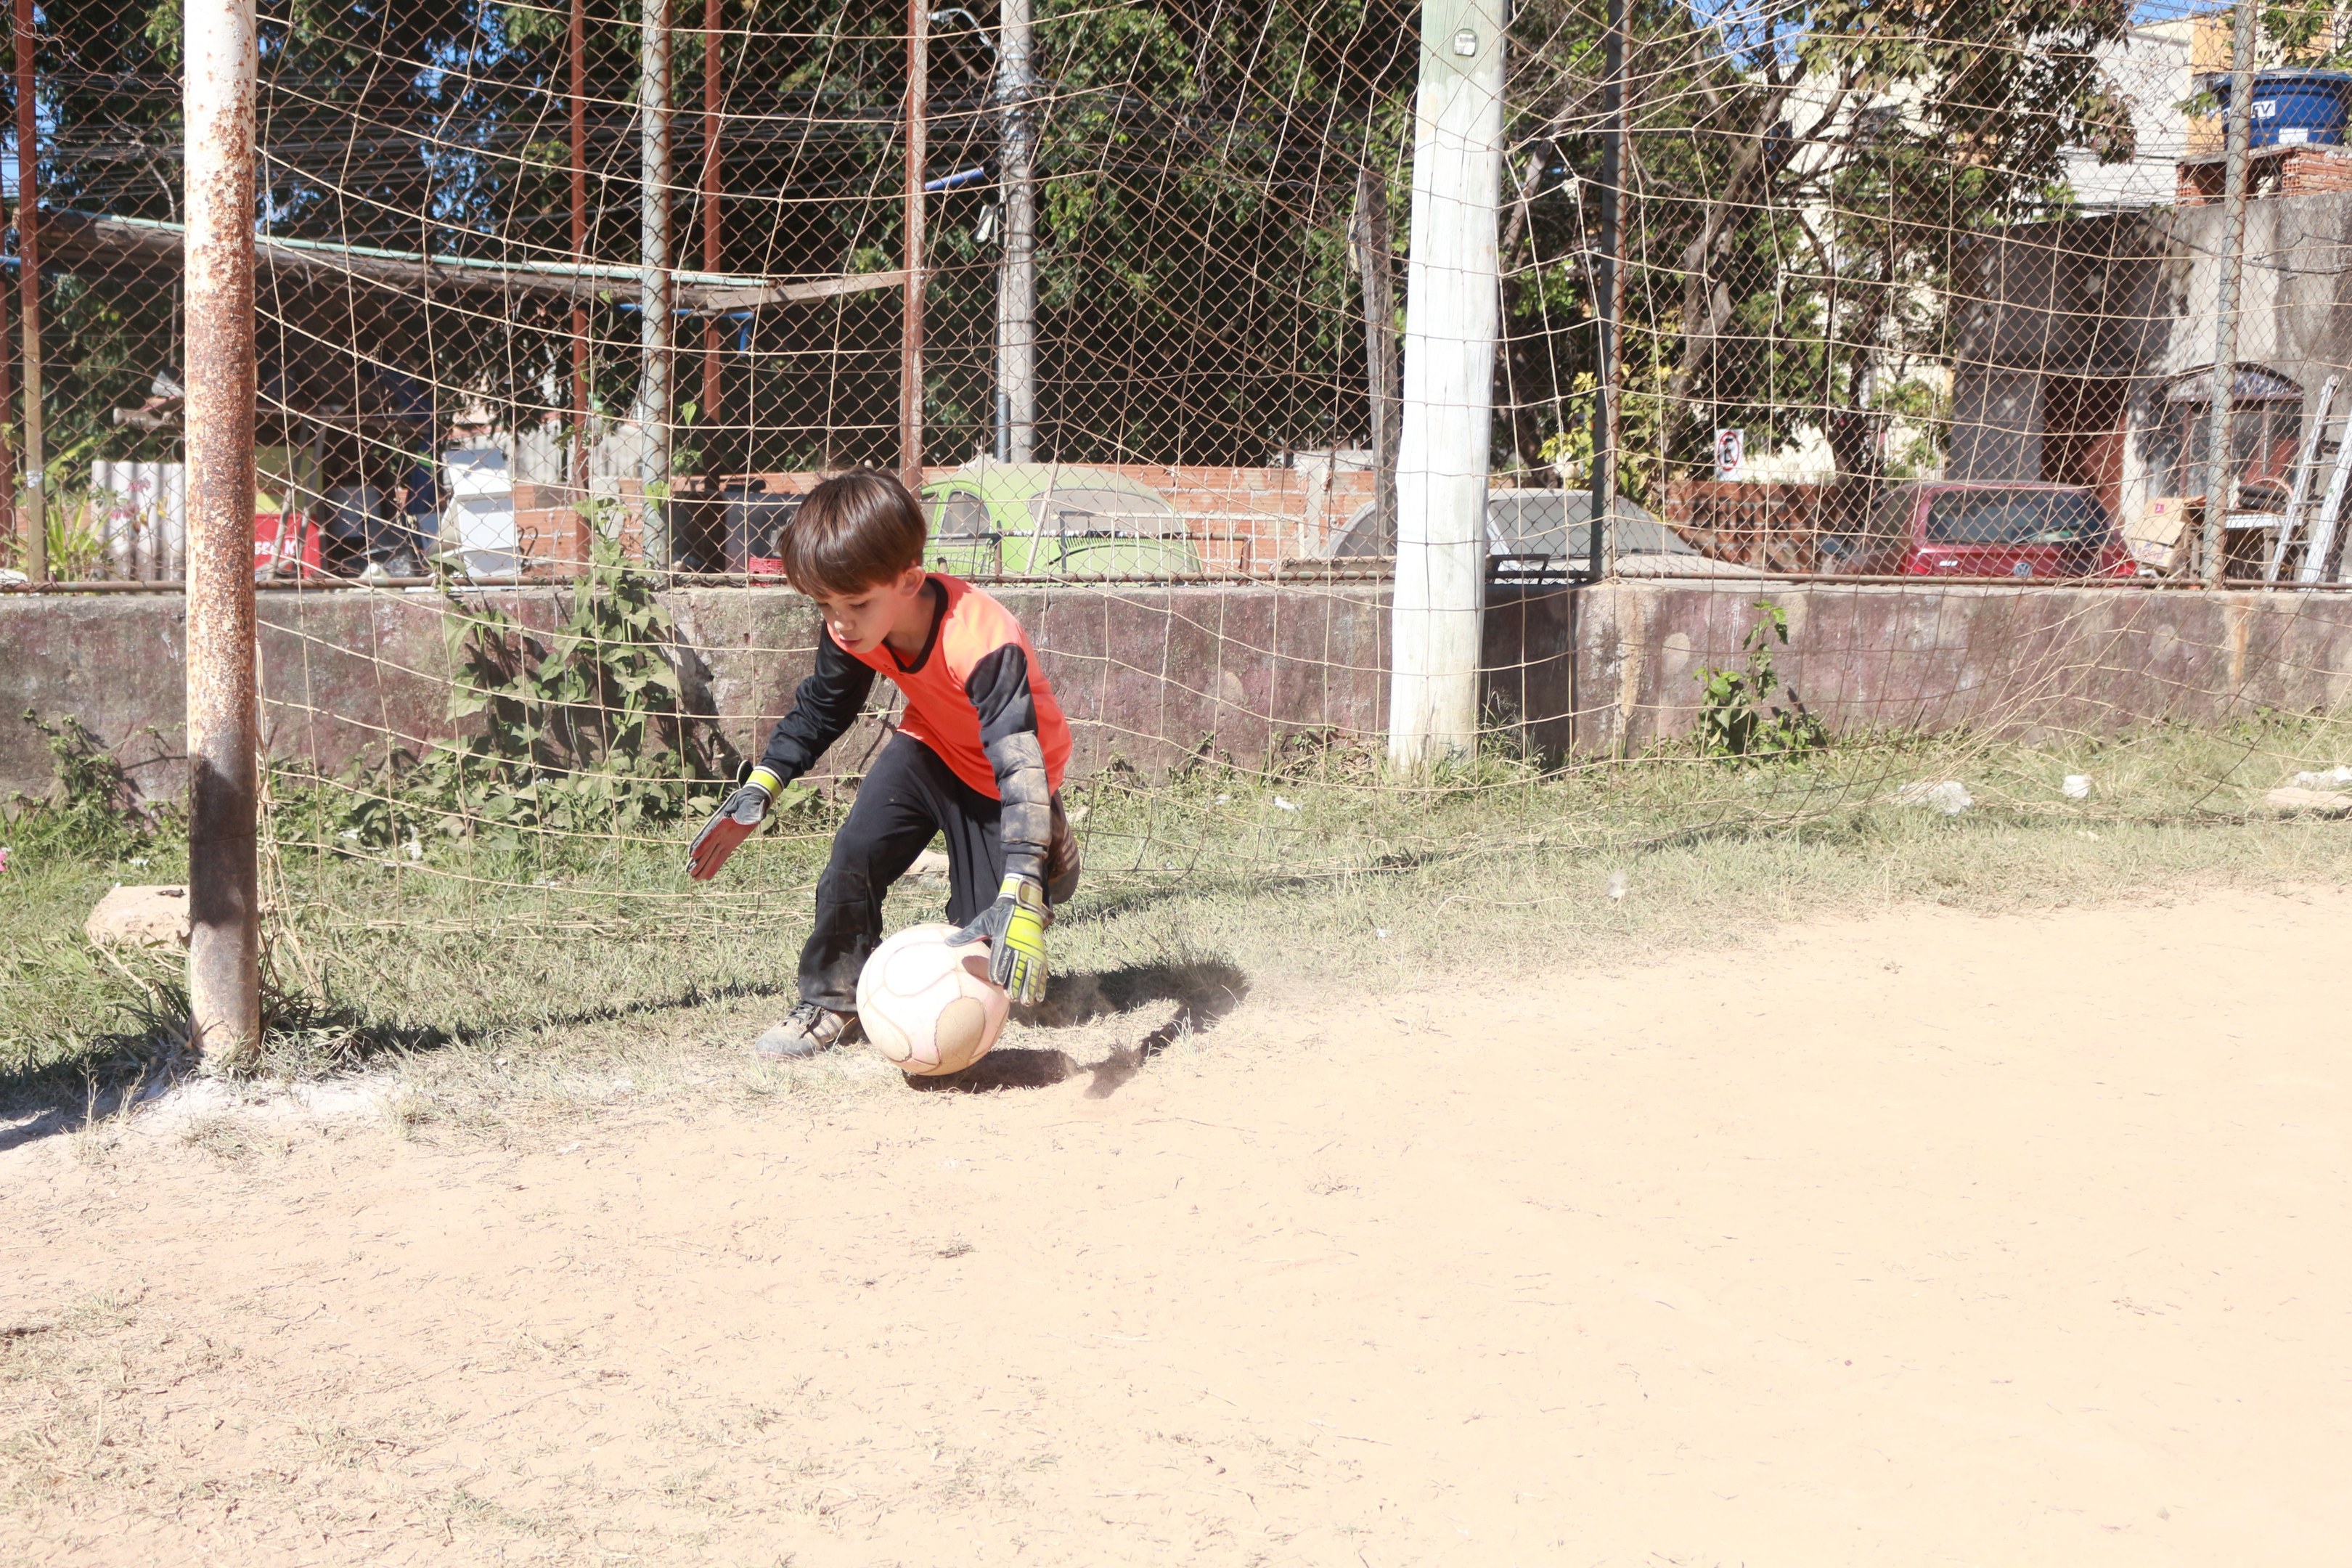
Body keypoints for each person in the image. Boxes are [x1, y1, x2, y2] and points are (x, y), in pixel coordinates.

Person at [686, 468, 1081, 1058]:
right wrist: (762, 786)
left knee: (984, 946)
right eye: (824, 604)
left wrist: (1022, 877)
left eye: (855, 603)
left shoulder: (980, 638)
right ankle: (832, 1003)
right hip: (931, 745)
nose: (839, 621)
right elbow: (824, 707)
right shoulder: (851, 622)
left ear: (909, 580)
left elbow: (1017, 763)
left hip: (1009, 777)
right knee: (854, 856)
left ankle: (1045, 854)